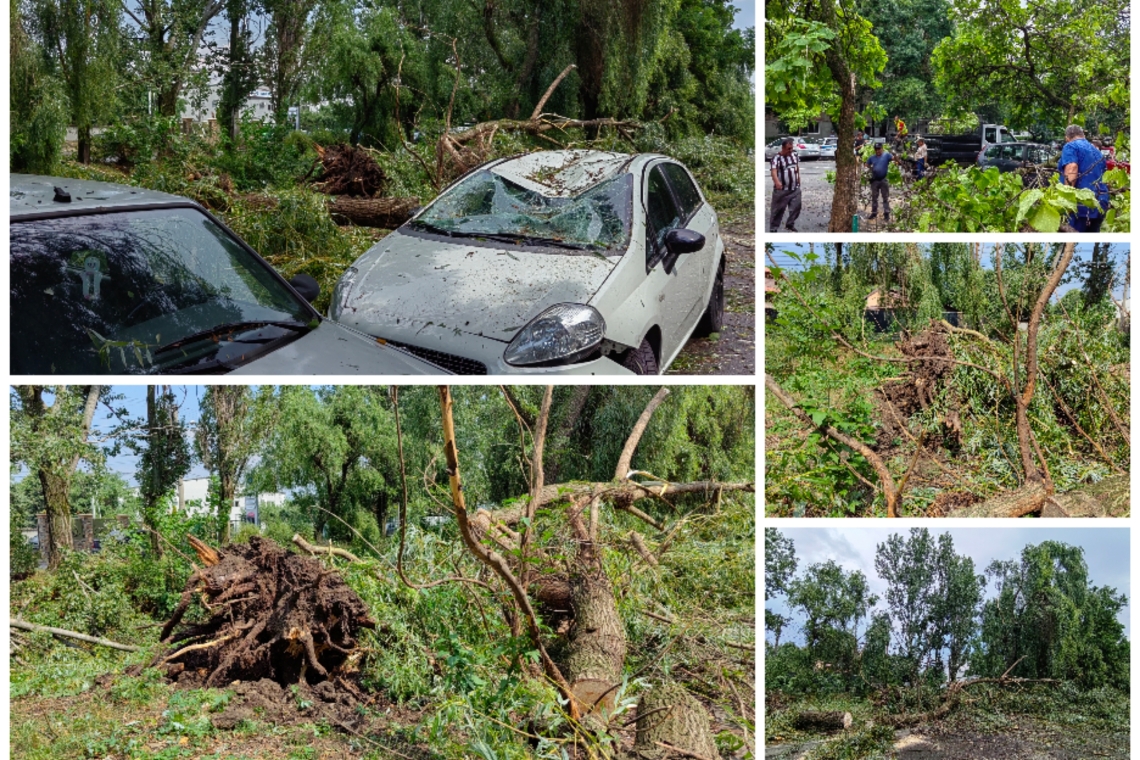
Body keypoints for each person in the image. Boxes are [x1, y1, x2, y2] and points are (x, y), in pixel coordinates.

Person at [1058, 124, 1109, 232]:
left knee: (1071, 241)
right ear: (1083, 135)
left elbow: (1072, 168)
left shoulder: (1070, 146)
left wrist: (1067, 201)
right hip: (1099, 203)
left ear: (1067, 138)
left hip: (1080, 206)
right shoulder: (1098, 152)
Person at [769, 137, 802, 232]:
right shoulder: (777, 158)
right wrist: (777, 182)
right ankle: (773, 228)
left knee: (797, 206)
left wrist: (798, 177)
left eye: (791, 148)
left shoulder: (794, 155)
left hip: (794, 188)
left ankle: (790, 224)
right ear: (783, 148)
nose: (790, 151)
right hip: (782, 190)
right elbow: (773, 171)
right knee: (777, 210)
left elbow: (796, 167)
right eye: (788, 149)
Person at [864, 142, 894, 221]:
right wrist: (868, 168)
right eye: (876, 149)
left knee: (885, 198)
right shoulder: (872, 157)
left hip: (883, 180)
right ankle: (874, 213)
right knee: (874, 198)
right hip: (875, 180)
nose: (878, 150)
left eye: (879, 149)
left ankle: (886, 214)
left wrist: (898, 158)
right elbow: (866, 165)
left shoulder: (886, 155)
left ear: (882, 148)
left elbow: (894, 159)